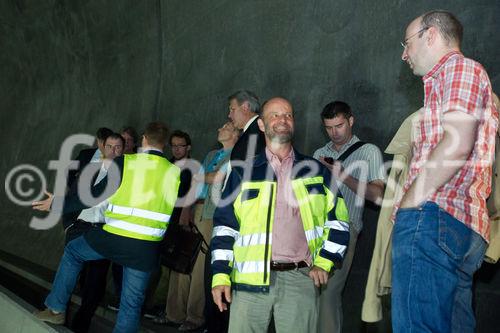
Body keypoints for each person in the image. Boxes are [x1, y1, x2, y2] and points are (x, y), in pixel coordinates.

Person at [393, 10, 498, 332]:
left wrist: (409, 203)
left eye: (407, 43)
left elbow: (457, 144)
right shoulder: (458, 80)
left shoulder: (460, 69)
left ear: (431, 35)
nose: (404, 54)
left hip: (435, 217)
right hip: (459, 226)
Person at [211, 97, 350, 332]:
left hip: (300, 279)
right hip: (249, 282)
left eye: (288, 115)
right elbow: (225, 227)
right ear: (262, 125)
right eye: (274, 115)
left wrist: (325, 263)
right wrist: (221, 276)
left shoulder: (315, 171)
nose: (282, 119)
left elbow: (339, 221)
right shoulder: (243, 171)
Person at [32, 122, 181, 333]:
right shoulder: (175, 172)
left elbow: (92, 196)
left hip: (114, 238)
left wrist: (57, 203)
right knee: (131, 304)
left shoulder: (125, 162)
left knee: (74, 252)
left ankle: (56, 309)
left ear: (143, 140)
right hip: (146, 249)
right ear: (164, 144)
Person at [313, 101, 385, 333]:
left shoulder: (368, 151)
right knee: (306, 295)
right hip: (313, 230)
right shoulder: (319, 154)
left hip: (345, 230)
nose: (335, 132)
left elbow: (378, 195)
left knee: (327, 294)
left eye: (340, 125)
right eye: (329, 127)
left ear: (351, 121)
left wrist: (343, 176)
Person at [68, 133, 125, 333]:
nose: (113, 151)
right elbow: (73, 192)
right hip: (81, 227)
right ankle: (61, 315)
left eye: (118, 147)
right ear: (103, 147)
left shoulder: (125, 173)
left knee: (96, 280)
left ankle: (81, 324)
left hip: (103, 229)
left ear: (123, 150)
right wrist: (69, 224)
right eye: (109, 146)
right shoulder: (90, 166)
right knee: (74, 274)